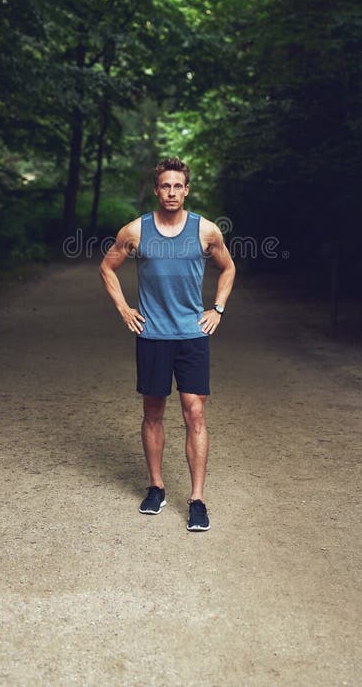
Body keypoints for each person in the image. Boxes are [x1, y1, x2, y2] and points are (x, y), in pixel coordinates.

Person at [99, 157, 235, 531]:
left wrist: (218, 309)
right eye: (165, 186)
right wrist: (124, 308)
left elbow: (229, 267)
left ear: (186, 190)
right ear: (157, 190)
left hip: (192, 336)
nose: (171, 192)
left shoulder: (205, 231)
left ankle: (196, 500)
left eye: (178, 186)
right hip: (153, 336)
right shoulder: (136, 231)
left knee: (195, 413)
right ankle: (156, 487)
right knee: (153, 413)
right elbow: (107, 267)